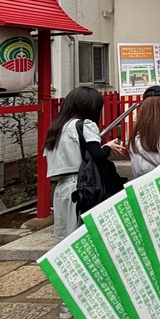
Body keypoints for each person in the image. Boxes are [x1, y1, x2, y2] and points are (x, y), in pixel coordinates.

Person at [44, 87, 125, 241]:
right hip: (83, 188)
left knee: (67, 239)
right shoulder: (84, 125)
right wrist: (108, 147)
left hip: (61, 189)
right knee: (87, 237)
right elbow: (99, 156)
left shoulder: (56, 129)